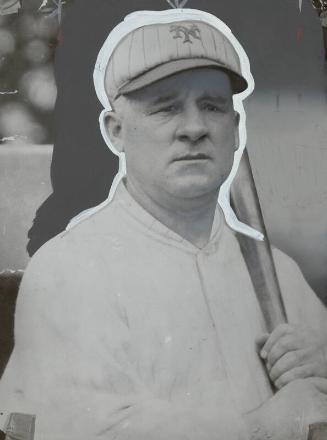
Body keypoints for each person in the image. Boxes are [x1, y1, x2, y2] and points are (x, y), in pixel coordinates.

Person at [1, 8, 327, 440]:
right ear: (115, 130)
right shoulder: (66, 272)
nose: (194, 127)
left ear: (235, 127)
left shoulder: (280, 275)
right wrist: (267, 427)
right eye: (165, 108)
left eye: (211, 106)